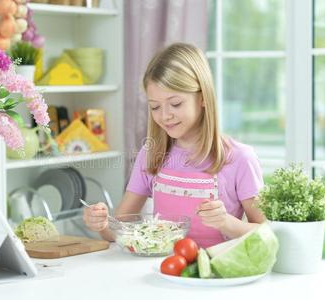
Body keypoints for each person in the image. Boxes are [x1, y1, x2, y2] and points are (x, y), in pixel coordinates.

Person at [83, 43, 265, 248]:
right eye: (155, 107)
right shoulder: (151, 154)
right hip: (161, 270)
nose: (165, 115)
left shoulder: (239, 158)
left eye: (176, 104)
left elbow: (267, 232)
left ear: (203, 98)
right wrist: (102, 223)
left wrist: (227, 223)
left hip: (215, 273)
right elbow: (117, 231)